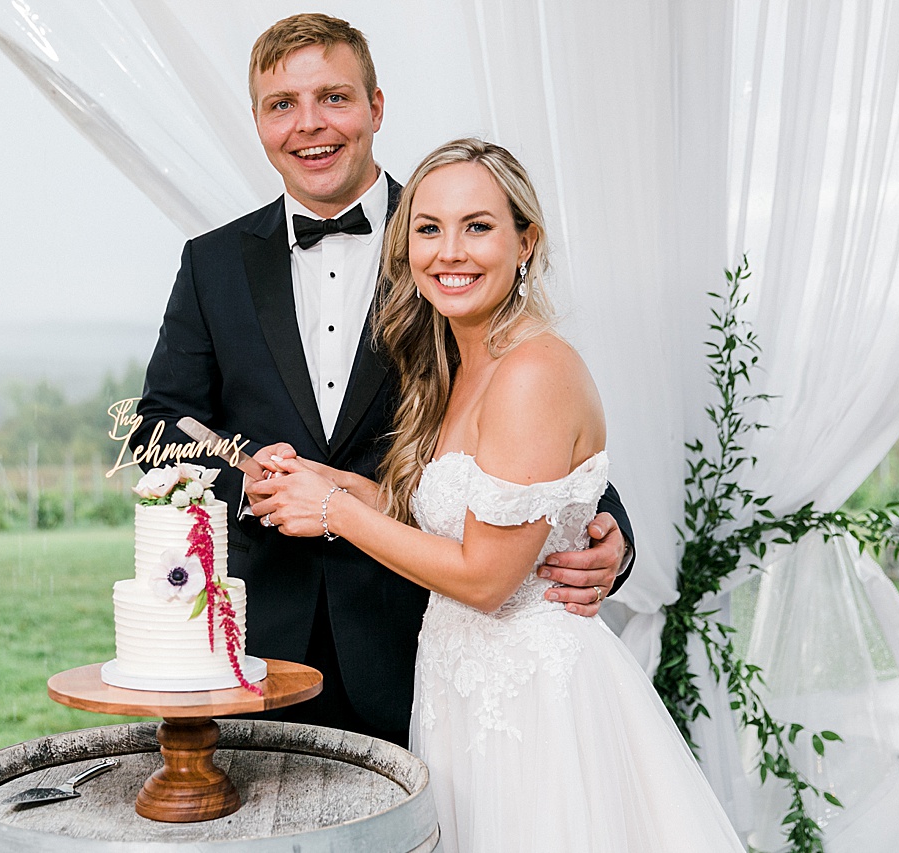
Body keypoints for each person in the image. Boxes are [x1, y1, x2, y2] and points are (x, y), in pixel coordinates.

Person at [132, 13, 634, 746]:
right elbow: (159, 425)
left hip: (424, 638)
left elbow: (531, 404)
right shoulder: (212, 265)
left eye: (334, 97)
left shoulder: (449, 239)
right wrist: (251, 478)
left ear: (376, 105)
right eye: (283, 105)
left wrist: (611, 533)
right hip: (262, 643)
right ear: (258, 121)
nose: (310, 125)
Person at [250, 138, 745, 853]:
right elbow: (458, 516)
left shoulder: (531, 372)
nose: (450, 251)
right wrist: (341, 484)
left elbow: (485, 577)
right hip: (463, 687)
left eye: (477, 226)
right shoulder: (461, 356)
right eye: (429, 228)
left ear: (526, 241)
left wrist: (337, 513)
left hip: (532, 703)